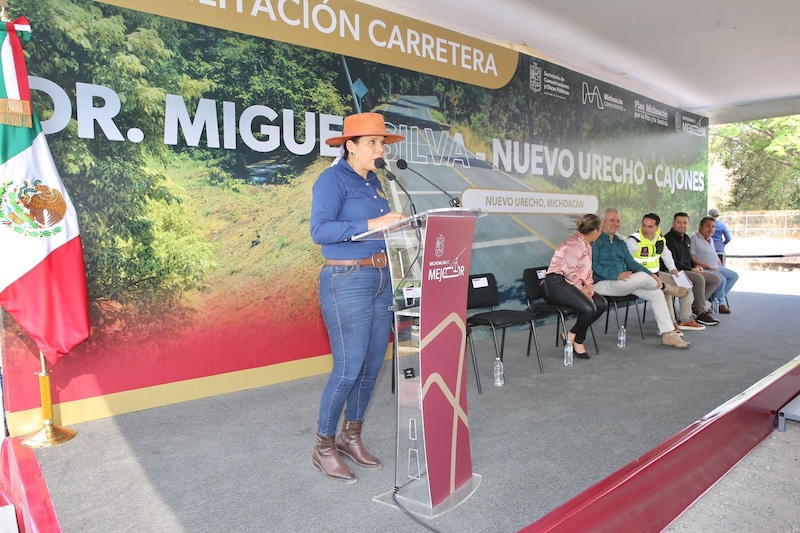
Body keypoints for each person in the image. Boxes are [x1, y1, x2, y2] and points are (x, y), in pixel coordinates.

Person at [309, 112, 406, 483]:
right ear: (350, 146)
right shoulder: (331, 180)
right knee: (348, 369)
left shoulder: (374, 182)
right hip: (346, 279)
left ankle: (351, 437)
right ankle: (323, 447)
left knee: (371, 367)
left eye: (382, 143)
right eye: (373, 142)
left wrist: (399, 227)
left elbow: (379, 231)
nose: (380, 149)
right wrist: (373, 224)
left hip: (380, 277)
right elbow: (320, 230)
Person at [591, 208, 689, 348]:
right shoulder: (595, 241)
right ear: (602, 221)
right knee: (644, 277)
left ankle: (668, 334)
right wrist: (616, 275)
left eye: (618, 221)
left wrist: (652, 275)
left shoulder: (620, 242)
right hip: (602, 284)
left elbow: (631, 263)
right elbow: (593, 265)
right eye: (612, 220)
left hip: (623, 283)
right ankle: (665, 286)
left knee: (656, 294)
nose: (616, 223)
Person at [626, 213, 705, 332]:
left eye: (650, 226)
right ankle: (671, 324)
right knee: (665, 291)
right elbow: (625, 259)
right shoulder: (633, 241)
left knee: (685, 283)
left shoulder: (659, 239)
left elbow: (666, 255)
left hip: (657, 274)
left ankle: (685, 320)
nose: (646, 229)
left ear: (656, 227)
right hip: (640, 276)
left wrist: (673, 270)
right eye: (644, 225)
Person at [544, 214, 608, 359]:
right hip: (556, 283)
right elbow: (568, 270)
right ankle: (579, 341)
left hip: (571, 283)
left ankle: (572, 335)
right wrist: (581, 289)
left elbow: (586, 271)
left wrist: (589, 287)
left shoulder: (586, 244)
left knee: (601, 303)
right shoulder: (574, 243)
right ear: (595, 231)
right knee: (589, 308)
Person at [663, 212, 722, 326]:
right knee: (699, 279)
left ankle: (695, 306)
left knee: (716, 279)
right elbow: (673, 262)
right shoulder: (667, 239)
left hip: (687, 270)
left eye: (685, 223)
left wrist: (695, 266)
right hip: (674, 271)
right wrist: (691, 269)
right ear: (673, 223)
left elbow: (688, 258)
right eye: (679, 222)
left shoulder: (686, 238)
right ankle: (701, 312)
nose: (682, 225)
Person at [690, 216, 739, 314]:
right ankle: (719, 304)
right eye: (707, 226)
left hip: (715, 266)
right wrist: (707, 266)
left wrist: (718, 260)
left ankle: (715, 297)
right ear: (701, 227)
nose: (711, 229)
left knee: (734, 276)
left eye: (713, 226)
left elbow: (712, 253)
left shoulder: (710, 239)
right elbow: (692, 257)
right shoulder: (695, 238)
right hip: (703, 268)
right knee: (722, 279)